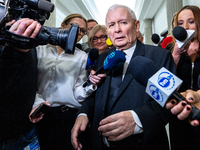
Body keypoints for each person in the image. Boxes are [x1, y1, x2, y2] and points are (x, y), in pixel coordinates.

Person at [71, 4, 176, 150]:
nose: (117, 29)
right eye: (111, 25)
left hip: (143, 144)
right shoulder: (102, 58)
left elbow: (170, 102)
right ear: (107, 30)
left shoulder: (159, 56)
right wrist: (83, 114)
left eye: (123, 22)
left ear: (137, 25)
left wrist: (138, 119)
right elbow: (95, 96)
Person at [29, 14, 105, 150]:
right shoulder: (40, 50)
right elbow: (29, 83)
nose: (78, 33)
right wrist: (37, 102)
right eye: (74, 26)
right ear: (63, 25)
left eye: (82, 30)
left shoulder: (82, 57)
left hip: (66, 116)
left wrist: (91, 84)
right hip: (40, 114)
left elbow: (78, 94)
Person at [0, 18, 41, 149]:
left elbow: (29, 81)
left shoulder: (29, 43)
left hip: (27, 133)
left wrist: (37, 102)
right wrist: (15, 52)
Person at [169, 5, 200, 150]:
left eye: (191, 21)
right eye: (181, 23)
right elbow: (166, 82)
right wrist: (175, 55)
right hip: (179, 114)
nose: (186, 26)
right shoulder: (170, 50)